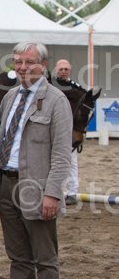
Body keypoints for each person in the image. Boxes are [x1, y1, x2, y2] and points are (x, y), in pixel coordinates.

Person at [0, 43, 72, 279]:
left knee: (45, 258)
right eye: (18, 62)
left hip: (37, 189)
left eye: (29, 62)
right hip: (6, 185)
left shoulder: (57, 101)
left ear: (43, 65)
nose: (23, 67)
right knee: (18, 256)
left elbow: (61, 154)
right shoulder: (11, 97)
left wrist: (53, 193)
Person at [53, 59, 79, 205]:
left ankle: (72, 192)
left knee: (71, 161)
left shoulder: (76, 88)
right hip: (50, 129)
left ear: (70, 70)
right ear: (55, 69)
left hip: (68, 131)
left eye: (66, 69)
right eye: (61, 69)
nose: (63, 71)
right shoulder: (49, 85)